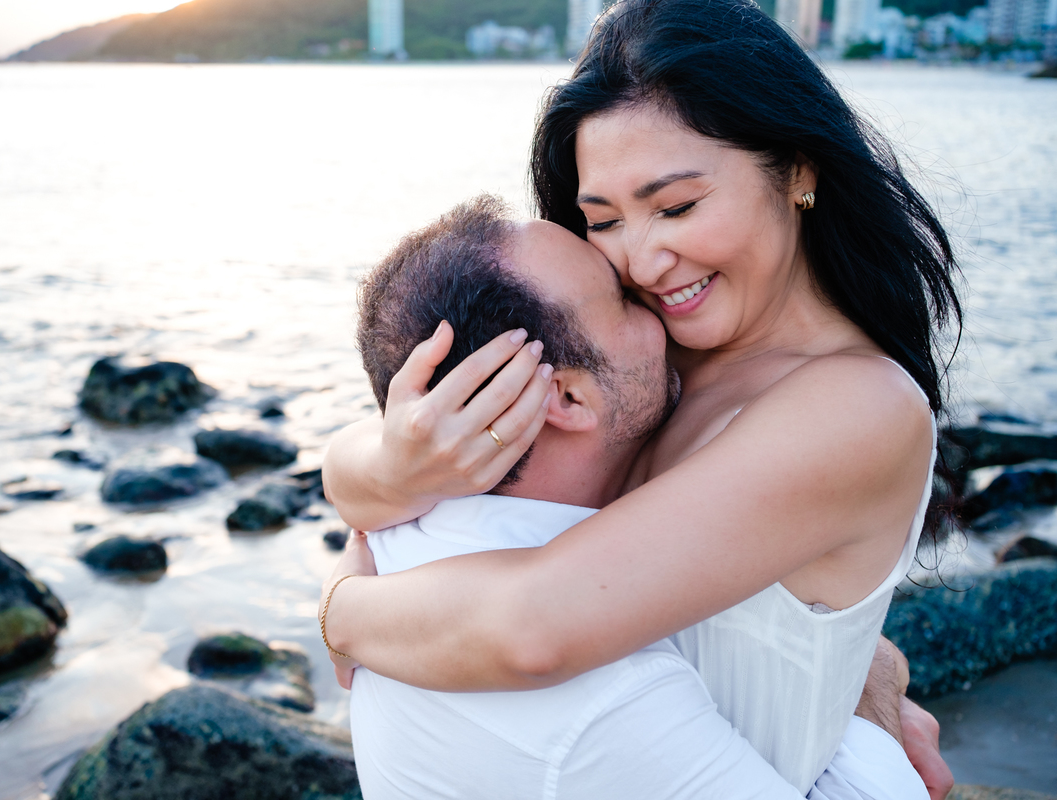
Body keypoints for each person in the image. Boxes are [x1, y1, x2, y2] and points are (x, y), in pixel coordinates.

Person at [319, 1, 960, 797]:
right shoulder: (662, 350)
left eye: (678, 207)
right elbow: (359, 467)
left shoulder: (855, 406)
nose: (645, 260)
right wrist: (389, 467)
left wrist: (343, 612)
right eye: (604, 220)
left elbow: (533, 625)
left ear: (796, 169)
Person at [341, 196, 929, 799]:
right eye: (621, 298)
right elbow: (534, 635)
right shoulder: (604, 700)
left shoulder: (407, 522)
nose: (654, 294)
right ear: (567, 399)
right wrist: (865, 688)